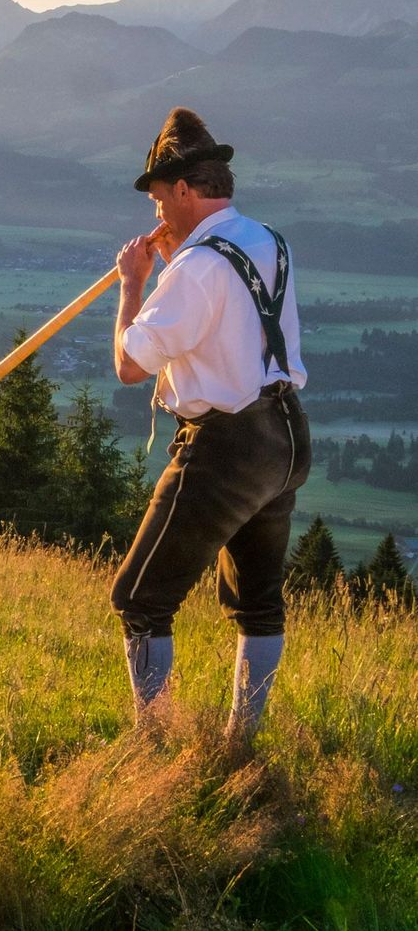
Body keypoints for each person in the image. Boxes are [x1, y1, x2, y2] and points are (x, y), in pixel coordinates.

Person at [110, 107, 310, 739]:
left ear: (189, 191)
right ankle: (238, 746)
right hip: (284, 434)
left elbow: (130, 366)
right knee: (258, 604)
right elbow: (224, 317)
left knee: (139, 599)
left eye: (162, 199)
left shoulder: (194, 268)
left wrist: (133, 286)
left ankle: (155, 745)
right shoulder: (265, 238)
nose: (157, 214)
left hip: (226, 447)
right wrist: (177, 257)